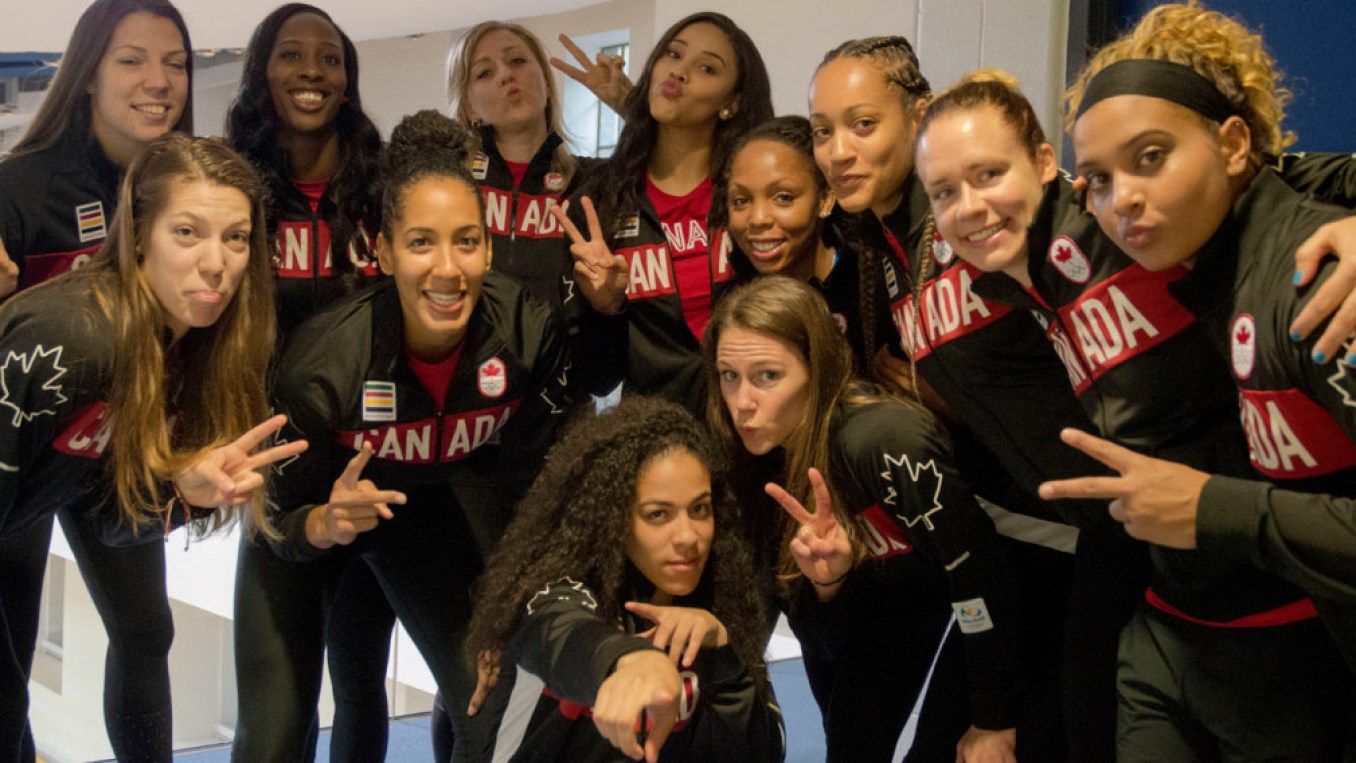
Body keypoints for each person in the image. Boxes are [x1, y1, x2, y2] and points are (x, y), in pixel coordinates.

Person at [1033, 5, 1356, 758]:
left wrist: (1216, 507)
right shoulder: (1210, 269)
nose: (1124, 201)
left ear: (1234, 143)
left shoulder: (1313, 283)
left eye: (1152, 157)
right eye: (1102, 181)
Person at [267, 110, 569, 763]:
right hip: (308, 524)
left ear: (490, 247)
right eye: (422, 242)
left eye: (467, 241)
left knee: (487, 710)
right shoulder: (322, 364)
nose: (447, 268)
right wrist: (321, 521)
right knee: (280, 732)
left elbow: (532, 487)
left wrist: (501, 601)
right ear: (384, 252)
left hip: (419, 514)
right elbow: (274, 514)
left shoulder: (525, 332)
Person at [0, 132, 306, 761]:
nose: (216, 262)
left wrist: (179, 491)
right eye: (188, 233)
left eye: (236, 237)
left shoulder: (174, 350)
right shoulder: (77, 341)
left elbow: (102, 520)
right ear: (138, 235)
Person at [704, 275, 1026, 762]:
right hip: (898, 589)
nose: (743, 401)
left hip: (1020, 580)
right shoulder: (761, 458)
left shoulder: (880, 441)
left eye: (768, 375)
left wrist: (993, 715)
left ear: (817, 370)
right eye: (730, 375)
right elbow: (821, 641)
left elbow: (979, 575)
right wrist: (829, 584)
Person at [0, 2, 195, 758]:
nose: (159, 80)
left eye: (175, 62)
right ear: (86, 73)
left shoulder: (180, 188)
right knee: (10, 662)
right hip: (21, 459)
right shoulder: (21, 187)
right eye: (132, 60)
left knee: (148, 631)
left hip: (113, 444)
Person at [223, 6, 394, 761]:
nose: (313, 72)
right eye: (292, 55)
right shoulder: (232, 186)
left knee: (359, 687)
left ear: (348, 79)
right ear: (263, 70)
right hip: (278, 475)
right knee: (277, 718)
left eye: (329, 58)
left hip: (371, 470)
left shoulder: (384, 187)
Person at [466, 396, 784, 762]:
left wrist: (724, 657)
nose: (688, 537)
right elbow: (559, 631)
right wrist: (631, 660)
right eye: (658, 514)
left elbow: (761, 753)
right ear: (614, 518)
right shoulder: (561, 586)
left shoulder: (724, 598)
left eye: (700, 509)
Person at [554, 11, 774, 414]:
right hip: (657, 447)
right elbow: (597, 379)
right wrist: (605, 309)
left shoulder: (753, 197)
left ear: (732, 102)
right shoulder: (603, 201)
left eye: (707, 67)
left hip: (760, 437)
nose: (680, 72)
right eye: (672, 54)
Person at [447, 21, 592, 311]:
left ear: (548, 85)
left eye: (517, 61)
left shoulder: (592, 181)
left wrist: (623, 101)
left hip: (570, 353)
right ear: (469, 108)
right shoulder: (448, 183)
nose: (506, 75)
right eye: (485, 72)